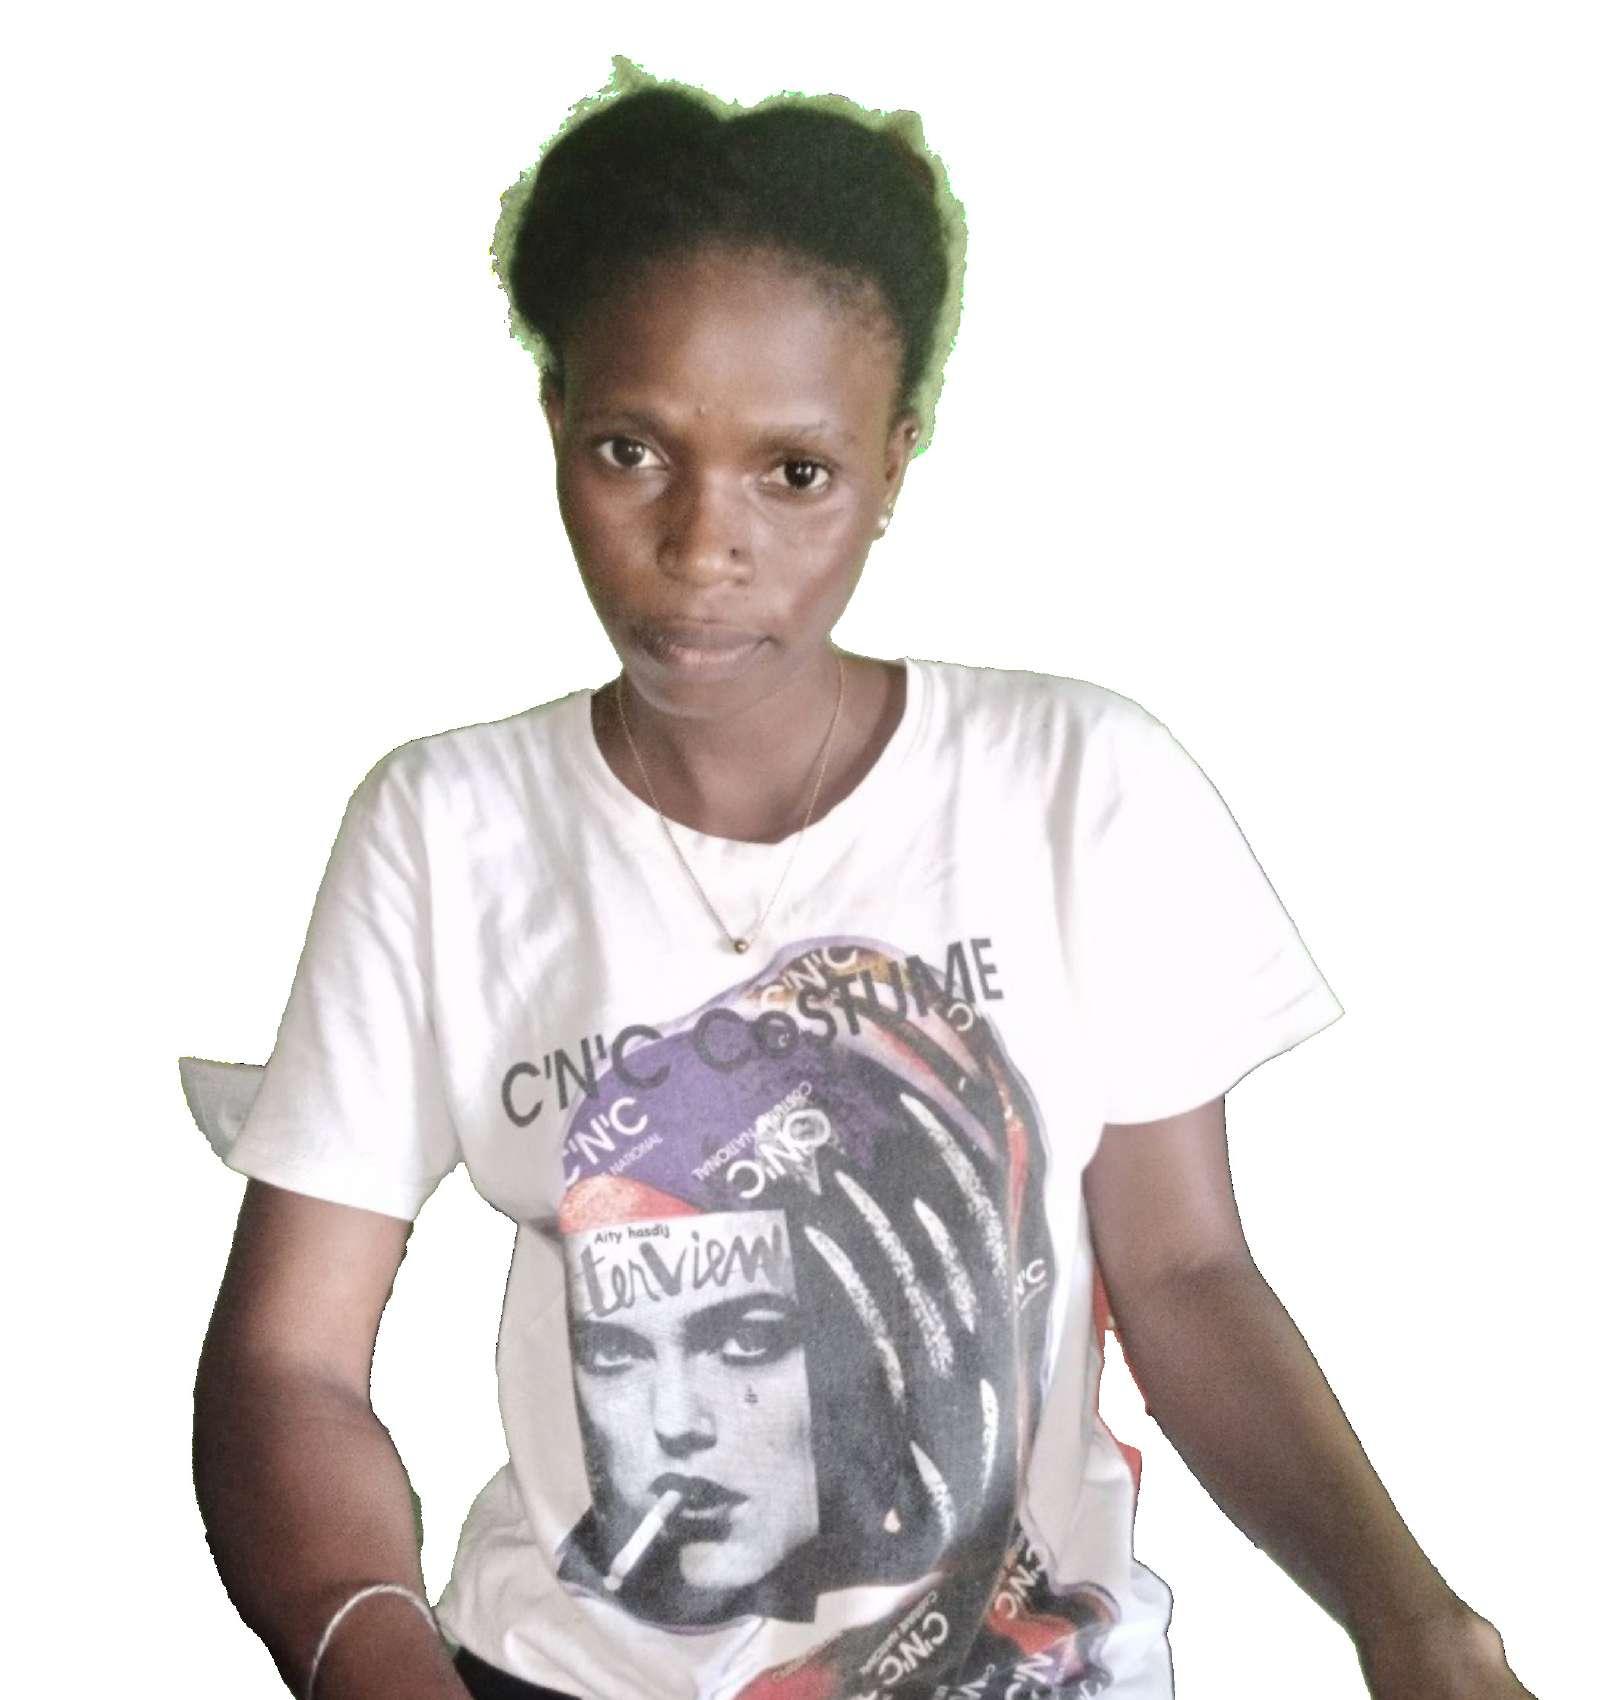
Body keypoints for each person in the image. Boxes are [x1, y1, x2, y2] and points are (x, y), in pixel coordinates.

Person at [187, 54, 1538, 1700]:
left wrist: (1412, 1618)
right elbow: (289, 1362)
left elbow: (1182, 1275)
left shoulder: (1071, 788)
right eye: (629, 450)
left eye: (795, 472)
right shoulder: (444, 830)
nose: (702, 543)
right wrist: (373, 1657)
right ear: (554, 427)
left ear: (895, 465)